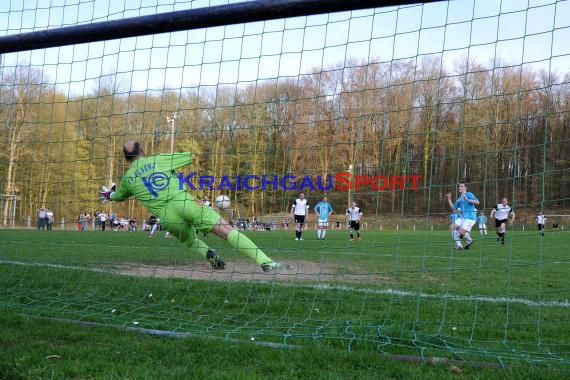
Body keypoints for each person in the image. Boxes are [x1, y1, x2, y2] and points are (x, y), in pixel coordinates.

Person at [101, 140, 279, 272]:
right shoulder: (157, 160)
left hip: (167, 217)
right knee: (226, 230)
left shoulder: (127, 179)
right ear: (144, 151)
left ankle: (210, 254)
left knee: (189, 240)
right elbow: (191, 157)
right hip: (185, 202)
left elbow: (117, 196)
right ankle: (265, 261)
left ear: (126, 159)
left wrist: (109, 194)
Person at [446, 183, 479, 250]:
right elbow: (453, 208)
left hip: (470, 218)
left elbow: (477, 202)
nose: (460, 187)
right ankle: (459, 245)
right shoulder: (459, 199)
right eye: (459, 186)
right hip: (463, 218)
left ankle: (469, 240)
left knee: (461, 231)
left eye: (461, 186)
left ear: (465, 188)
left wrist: (467, 199)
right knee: (452, 227)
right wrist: (449, 199)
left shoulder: (469, 194)